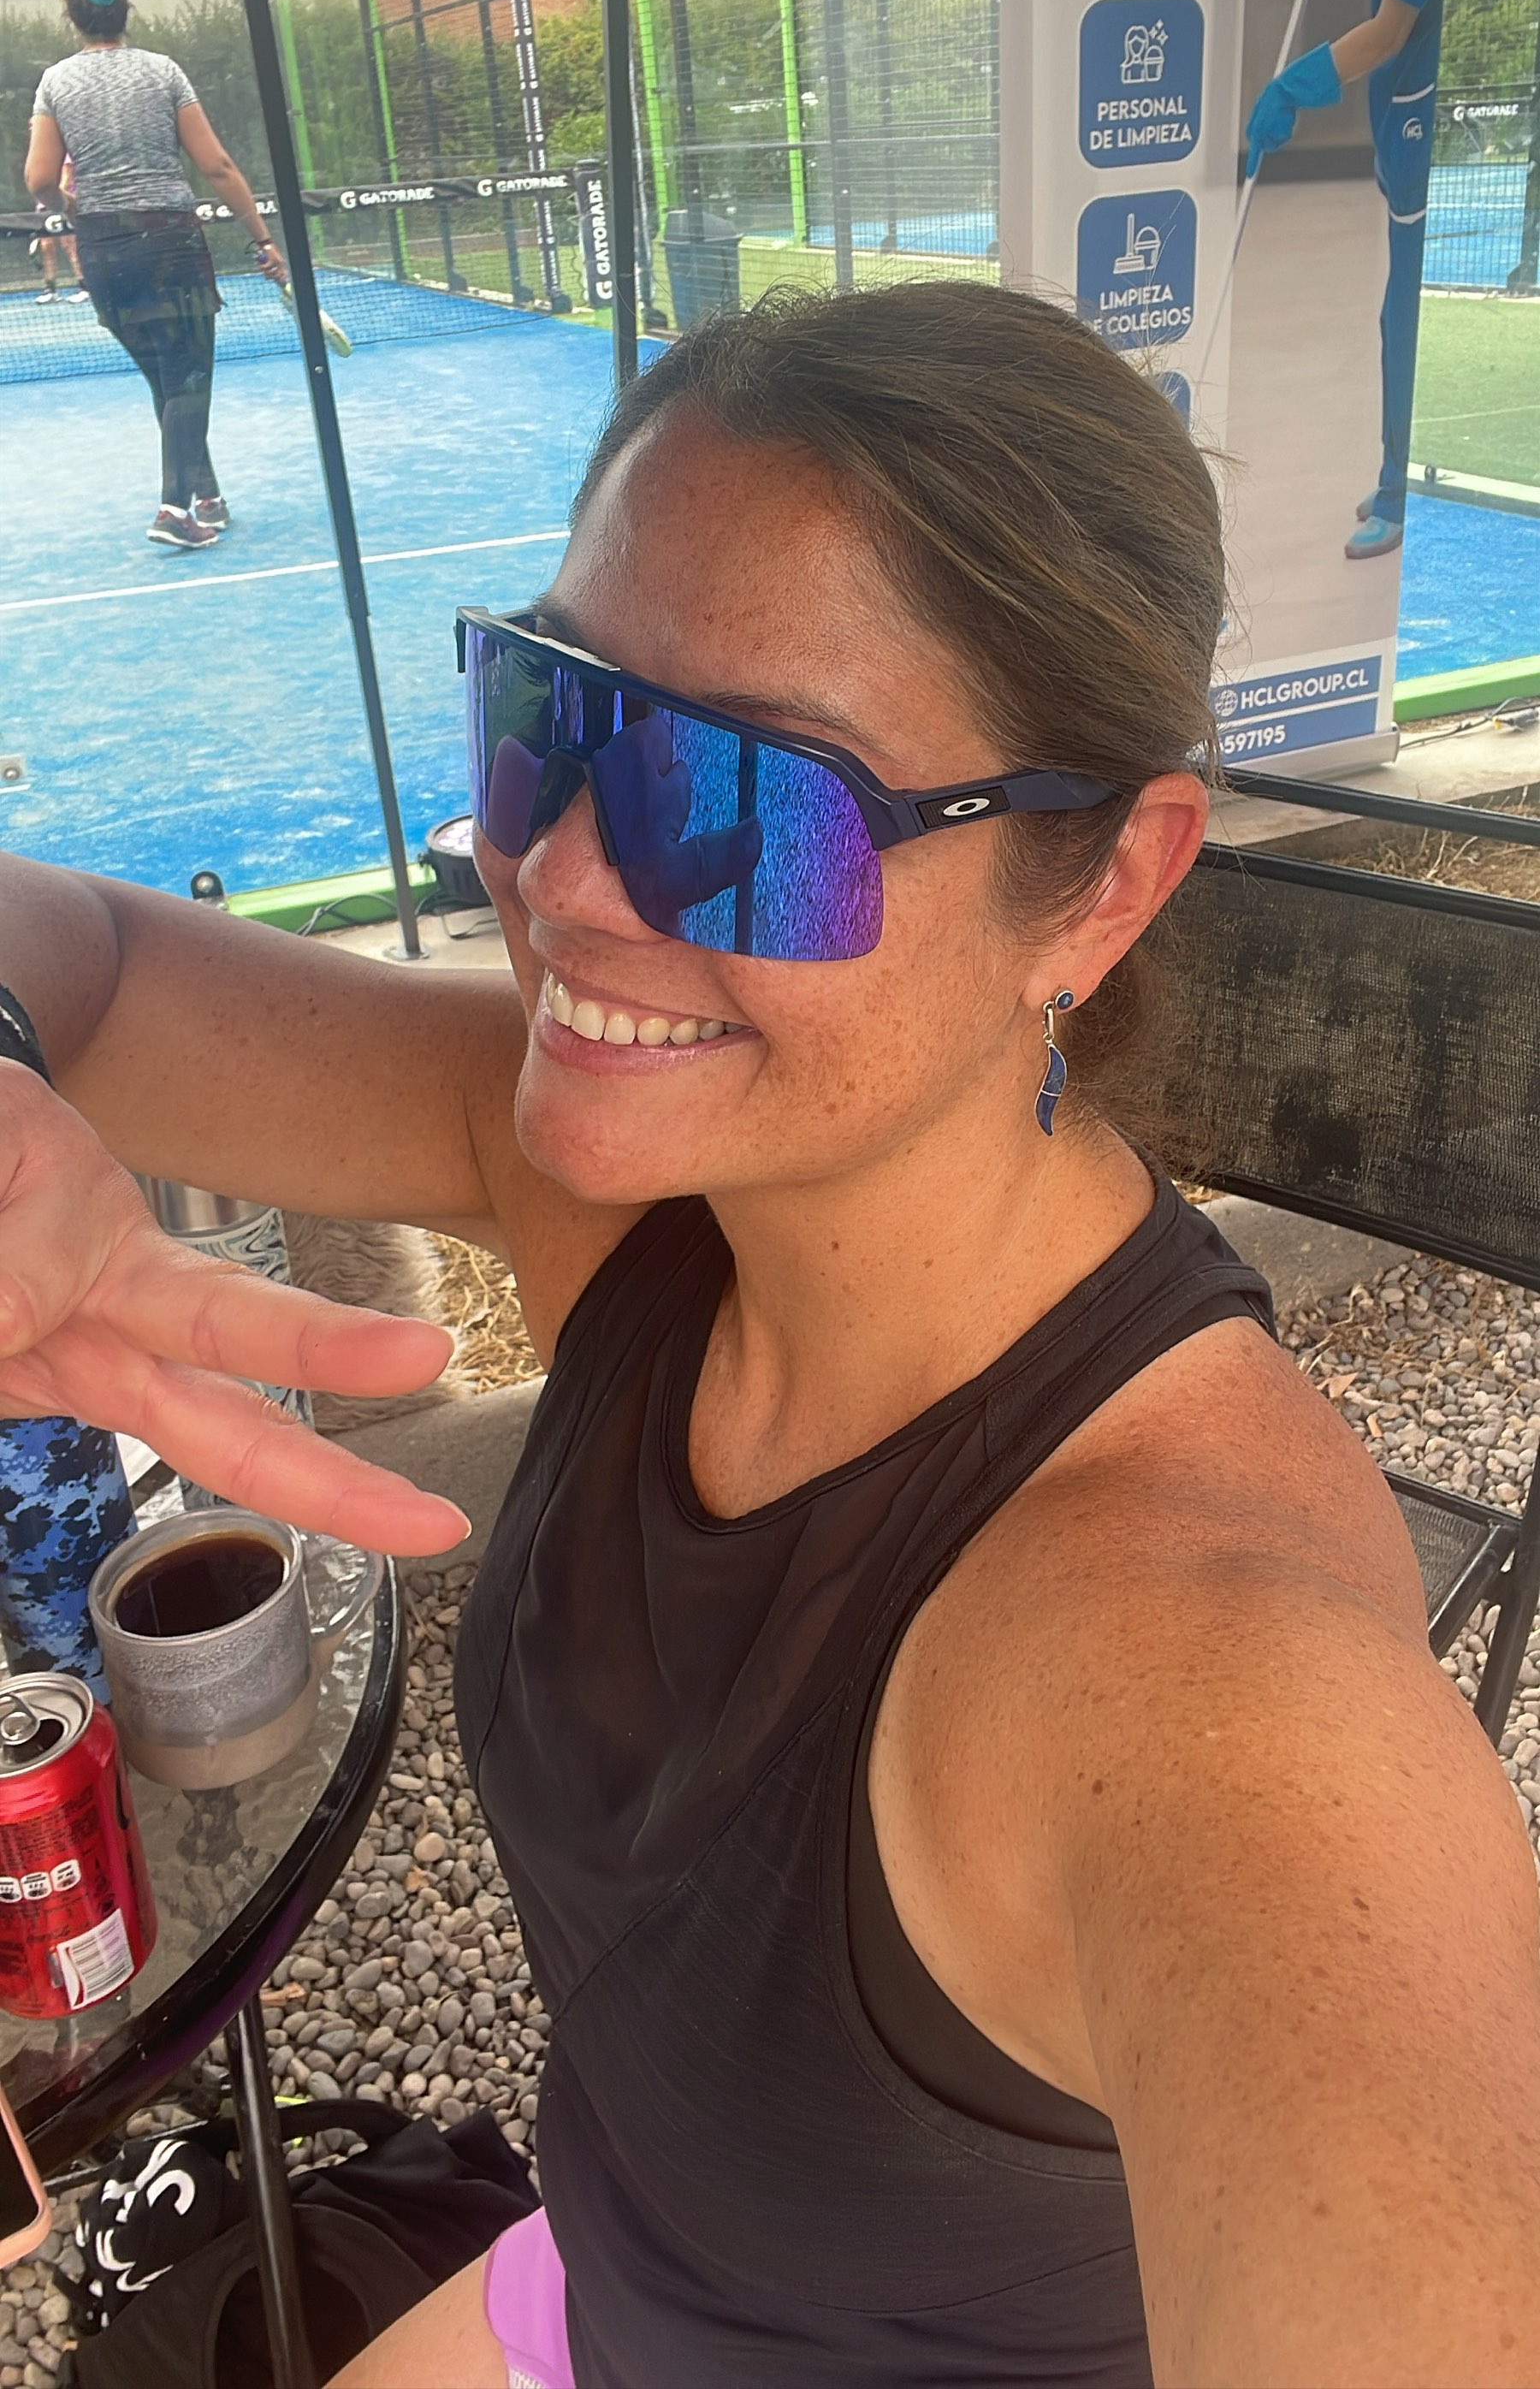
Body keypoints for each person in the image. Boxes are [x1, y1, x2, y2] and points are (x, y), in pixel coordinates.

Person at [3, 282, 1540, 2389]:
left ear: (1106, 889)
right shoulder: (639, 1191)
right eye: (550, 714)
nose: (558, 875)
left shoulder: (1203, 1675)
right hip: (599, 2278)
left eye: (741, 803)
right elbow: (76, 960)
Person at [1244, 0, 1460, 562]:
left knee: (1402, 309)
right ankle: (1393, 478)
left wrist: (1296, 84)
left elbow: (1389, 29)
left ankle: (1400, 494)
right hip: (1392, 107)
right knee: (1390, 304)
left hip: (1410, 107)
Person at [23, 0, 288, 551]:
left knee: (169, 382)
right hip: (171, 246)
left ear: (73, 18)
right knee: (188, 380)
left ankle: (208, 497)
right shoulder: (163, 72)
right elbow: (217, 166)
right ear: (125, 9)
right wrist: (263, 239)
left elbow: (39, 179)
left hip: (104, 254)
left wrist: (74, 204)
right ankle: (172, 510)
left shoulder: (54, 83)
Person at [33, 154, 87, 304]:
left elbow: (66, 180)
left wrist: (55, 200)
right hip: (44, 208)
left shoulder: (65, 156)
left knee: (70, 246)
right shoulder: (40, 156)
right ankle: (50, 290)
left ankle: (84, 287)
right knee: (46, 247)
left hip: (64, 204)